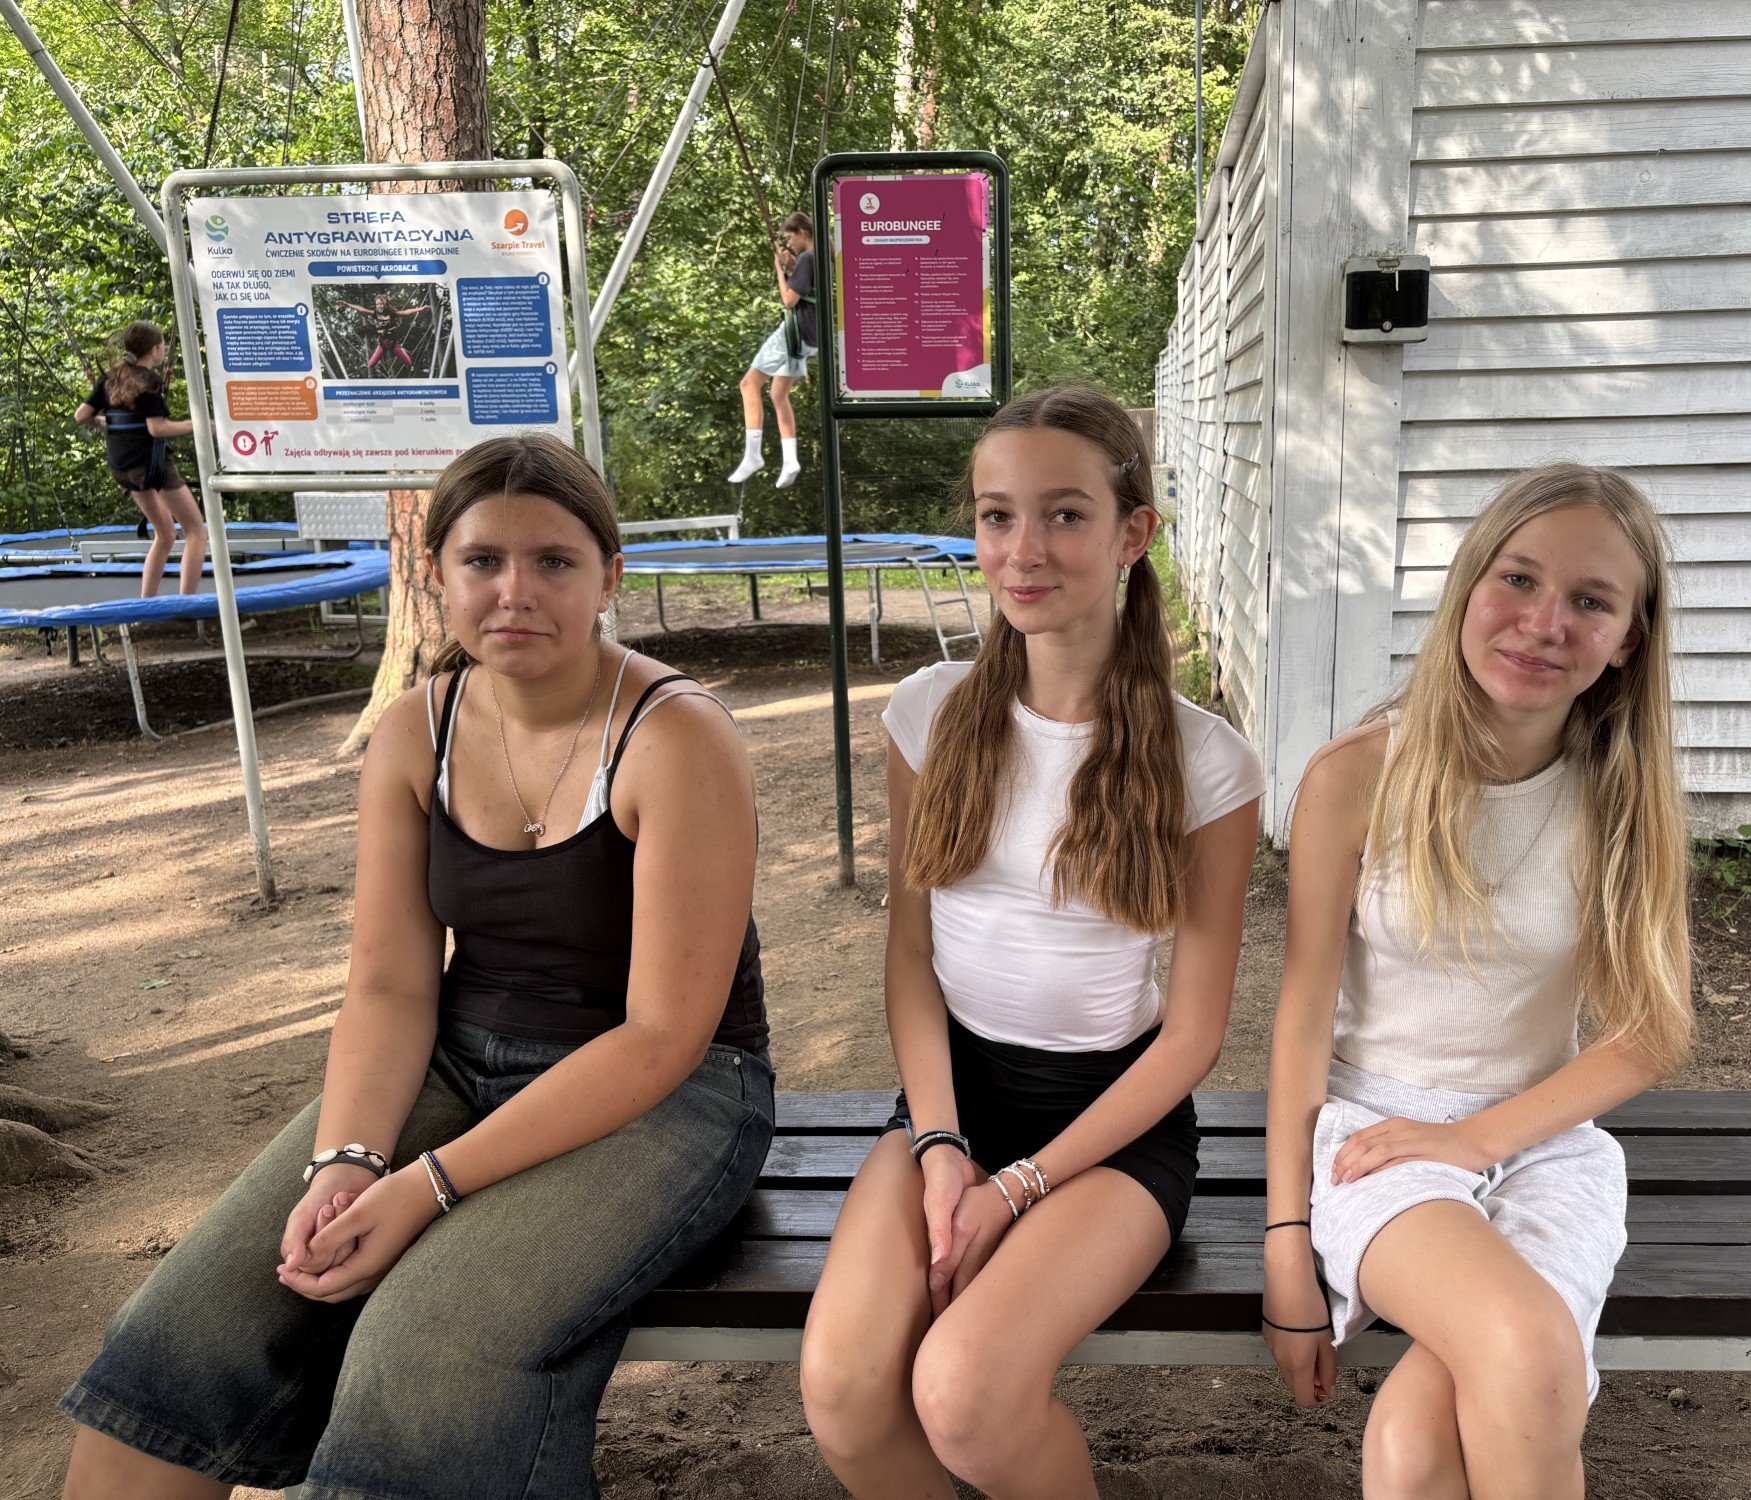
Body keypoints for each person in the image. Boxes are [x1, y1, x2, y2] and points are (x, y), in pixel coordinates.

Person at [60, 433, 774, 1500]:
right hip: (456, 1058)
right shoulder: (416, 730)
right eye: (483, 560)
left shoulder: (676, 736)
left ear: (609, 577)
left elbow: (663, 1034)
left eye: (554, 561)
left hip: (668, 1093)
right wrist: (347, 1161)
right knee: (183, 1335)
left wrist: (428, 1185)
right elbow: (391, 986)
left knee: (423, 1352)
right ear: (436, 573)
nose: (514, 591)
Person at [799, 386, 1263, 1499]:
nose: (1023, 549)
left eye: (1063, 514)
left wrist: (1017, 1189)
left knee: (965, 1391)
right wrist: (941, 1146)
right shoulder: (929, 713)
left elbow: (1193, 1036)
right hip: (951, 1107)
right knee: (845, 1391)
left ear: (1132, 533)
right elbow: (910, 960)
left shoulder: (1207, 763)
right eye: (997, 515)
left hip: (1111, 1133)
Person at [1261, 464, 1696, 1499]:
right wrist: (1284, 1245)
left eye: (1590, 601)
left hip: (1543, 1141)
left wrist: (1479, 1139)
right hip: (1378, 1141)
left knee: (1414, 1449)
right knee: (1532, 1355)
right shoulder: (1358, 776)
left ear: (1627, 640)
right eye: (1519, 579)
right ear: (1467, 585)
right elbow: (1301, 1019)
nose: (1544, 623)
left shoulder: (1621, 795)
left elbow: (1653, 1029)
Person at [72, 321, 206, 599]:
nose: (163, 349)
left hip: (123, 467)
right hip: (151, 466)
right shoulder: (149, 381)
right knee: (196, 531)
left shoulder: (111, 378)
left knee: (165, 534)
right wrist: (199, 425)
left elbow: (81, 416)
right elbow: (157, 428)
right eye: (162, 345)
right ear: (155, 350)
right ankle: (187, 606)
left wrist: (104, 421)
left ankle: (147, 604)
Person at [727, 213, 817, 490]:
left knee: (748, 385)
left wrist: (780, 269)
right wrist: (790, 265)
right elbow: (807, 284)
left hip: (794, 331)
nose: (789, 244)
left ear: (802, 232)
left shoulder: (808, 258)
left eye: (790, 238)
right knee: (778, 394)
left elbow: (789, 299)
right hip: (810, 334)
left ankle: (753, 455)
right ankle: (790, 460)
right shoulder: (819, 257)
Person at [335, 291, 430, 376]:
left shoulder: (392, 313)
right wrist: (346, 304)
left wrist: (421, 309)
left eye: (381, 304)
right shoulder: (375, 313)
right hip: (382, 345)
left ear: (385, 304)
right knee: (370, 365)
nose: (379, 306)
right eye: (377, 304)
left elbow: (406, 312)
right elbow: (361, 309)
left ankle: (404, 351)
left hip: (393, 345)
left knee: (409, 363)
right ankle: (380, 367)